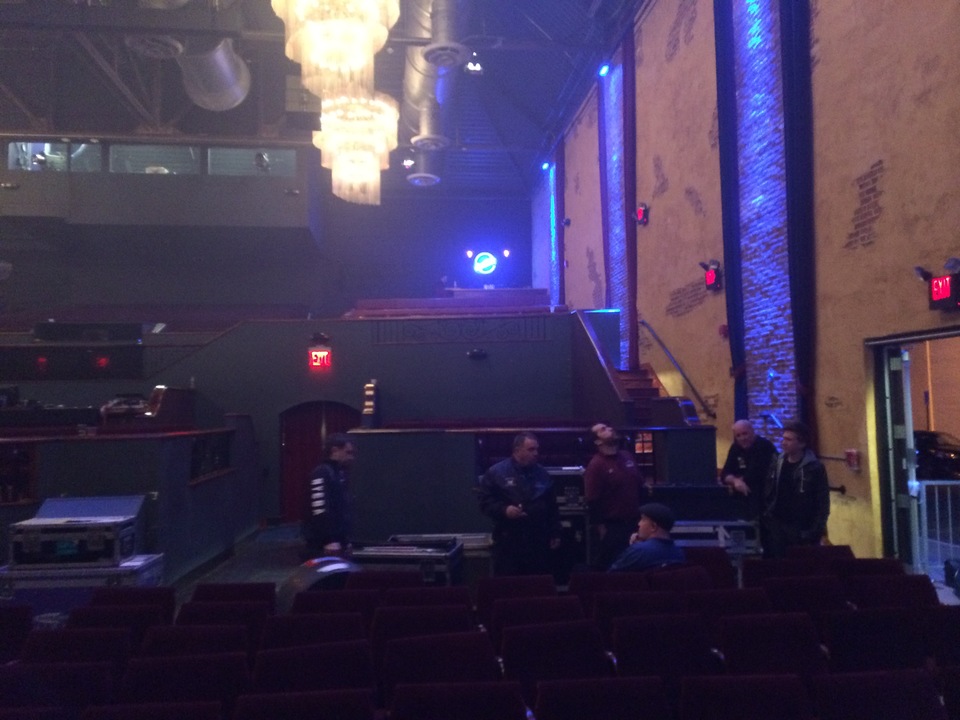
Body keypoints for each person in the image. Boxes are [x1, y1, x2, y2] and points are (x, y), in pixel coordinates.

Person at [476, 432, 562, 575]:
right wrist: (504, 510)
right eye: (531, 449)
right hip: (508, 540)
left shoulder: (542, 474)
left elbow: (552, 507)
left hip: (538, 541)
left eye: (537, 449)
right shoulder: (496, 473)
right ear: (517, 450)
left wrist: (555, 532)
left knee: (537, 583)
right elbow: (484, 502)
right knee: (510, 584)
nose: (536, 453)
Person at [762, 420, 830, 558]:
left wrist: (815, 530)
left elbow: (822, 501)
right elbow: (769, 490)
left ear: (802, 443)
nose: (783, 442)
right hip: (778, 525)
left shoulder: (814, 467)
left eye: (789, 439)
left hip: (802, 528)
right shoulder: (777, 462)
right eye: (783, 438)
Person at [584, 422, 646, 569]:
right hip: (613, 526)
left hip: (635, 521)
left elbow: (639, 484)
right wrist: (601, 527)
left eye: (608, 427)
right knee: (615, 566)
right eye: (603, 430)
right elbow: (592, 499)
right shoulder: (596, 465)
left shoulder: (627, 456)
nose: (610, 429)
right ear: (597, 441)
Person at [302, 433, 356, 557]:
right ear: (335, 451)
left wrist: (345, 540)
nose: (351, 457)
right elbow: (319, 509)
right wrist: (329, 540)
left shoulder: (339, 473)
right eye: (348, 452)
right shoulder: (322, 473)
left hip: (337, 540)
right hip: (323, 544)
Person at [720, 419, 778, 518]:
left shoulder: (765, 446)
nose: (742, 438)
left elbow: (759, 473)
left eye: (745, 434)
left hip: (763, 499)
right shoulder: (735, 448)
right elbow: (725, 474)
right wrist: (735, 481)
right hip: (741, 499)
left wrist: (740, 480)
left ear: (752, 431)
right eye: (738, 436)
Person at [608, 502, 686, 572]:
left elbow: (611, 576)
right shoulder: (679, 553)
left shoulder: (638, 551)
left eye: (643, 520)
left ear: (653, 527)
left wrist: (633, 549)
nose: (639, 524)